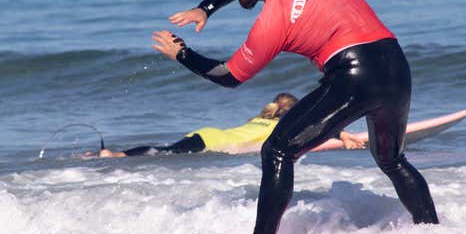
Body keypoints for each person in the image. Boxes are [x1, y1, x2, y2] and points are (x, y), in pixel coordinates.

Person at [153, 0, 439, 234]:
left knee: (277, 150)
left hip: (354, 75)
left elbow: (230, 76)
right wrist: (205, 9)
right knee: (392, 159)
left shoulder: (273, 21)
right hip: (395, 65)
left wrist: (182, 55)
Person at [96, 93, 365, 157]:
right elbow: (313, 127)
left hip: (207, 134)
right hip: (212, 142)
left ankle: (116, 154)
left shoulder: (261, 120)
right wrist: (342, 136)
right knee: (163, 152)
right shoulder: (278, 128)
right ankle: (117, 155)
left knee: (165, 149)